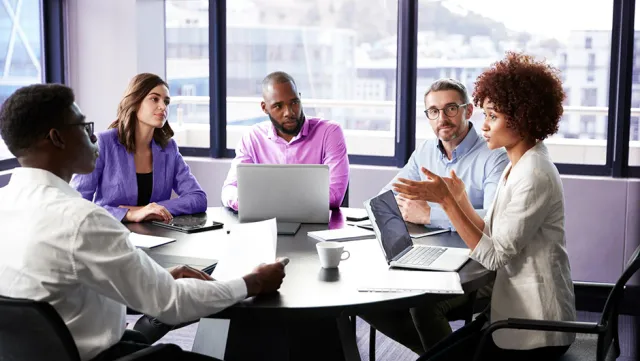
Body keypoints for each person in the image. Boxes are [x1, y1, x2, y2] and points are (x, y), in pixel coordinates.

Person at [0, 84, 287, 361]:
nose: (94, 138)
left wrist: (151, 278)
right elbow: (172, 304)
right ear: (57, 138)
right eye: (84, 128)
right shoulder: (82, 220)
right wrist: (253, 282)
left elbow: (61, 285)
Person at [395, 52, 576, 361]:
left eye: (493, 116)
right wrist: (460, 198)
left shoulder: (534, 174)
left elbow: (493, 256)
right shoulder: (518, 163)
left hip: (534, 327)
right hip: (508, 313)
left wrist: (448, 203)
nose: (485, 125)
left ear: (522, 118)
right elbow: (492, 231)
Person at [361, 78, 508, 354]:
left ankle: (443, 355)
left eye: (451, 108)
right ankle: (444, 356)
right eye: (434, 111)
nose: (443, 118)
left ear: (468, 110)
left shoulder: (494, 156)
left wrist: (430, 214)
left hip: (482, 268)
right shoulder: (426, 150)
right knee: (366, 298)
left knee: (424, 304)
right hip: (433, 256)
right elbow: (389, 195)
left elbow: (492, 219)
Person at [71, 73, 207, 223]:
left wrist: (150, 209)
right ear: (135, 102)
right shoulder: (103, 143)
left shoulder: (168, 148)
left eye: (166, 102)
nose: (163, 106)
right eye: (155, 99)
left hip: (158, 237)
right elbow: (77, 205)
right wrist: (127, 214)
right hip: (111, 235)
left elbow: (198, 198)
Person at [221, 71, 349, 211]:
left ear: (300, 98)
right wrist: (243, 202)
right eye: (278, 106)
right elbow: (229, 189)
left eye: (294, 102)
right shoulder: (252, 137)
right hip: (265, 222)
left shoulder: (329, 132)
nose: (289, 112)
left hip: (315, 225)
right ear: (265, 108)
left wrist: (265, 201)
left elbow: (334, 195)